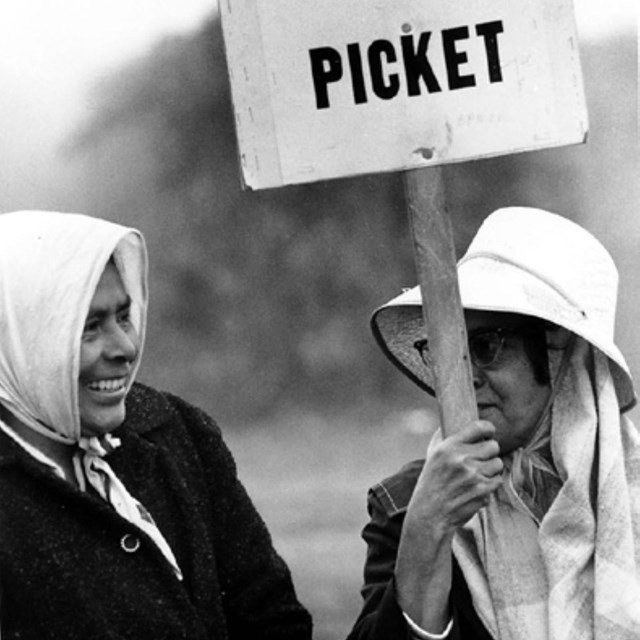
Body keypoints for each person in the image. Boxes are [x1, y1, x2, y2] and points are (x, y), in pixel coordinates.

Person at [0, 210, 312, 639]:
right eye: (89, 327)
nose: (126, 346)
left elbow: (271, 618)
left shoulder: (175, 433)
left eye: (124, 316)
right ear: (20, 338)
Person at [347, 207, 640, 639]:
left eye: (486, 347)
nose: (463, 375)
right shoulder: (407, 504)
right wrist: (427, 532)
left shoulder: (630, 500)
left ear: (560, 355)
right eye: (448, 350)